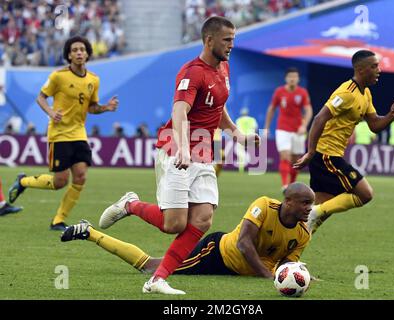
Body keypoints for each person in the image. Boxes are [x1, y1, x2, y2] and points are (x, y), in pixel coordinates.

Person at [97, 16, 259, 295]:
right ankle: (131, 205)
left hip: (204, 151)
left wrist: (236, 133)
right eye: (227, 40)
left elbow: (217, 106)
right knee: (173, 224)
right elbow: (179, 111)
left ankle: (157, 279)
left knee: (203, 218)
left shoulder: (224, 68)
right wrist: (183, 147)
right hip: (176, 149)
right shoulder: (191, 72)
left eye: (234, 39)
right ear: (209, 40)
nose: (232, 45)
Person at [60, 182, 313, 280]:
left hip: (241, 270)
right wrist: (268, 276)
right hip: (216, 254)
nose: (309, 209)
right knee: (150, 266)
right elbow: (243, 244)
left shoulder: (303, 233)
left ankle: (129, 205)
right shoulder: (264, 206)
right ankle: (90, 232)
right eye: (304, 203)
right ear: (288, 202)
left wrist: (296, 276)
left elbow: (287, 265)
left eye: (310, 204)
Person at [8, 36, 118, 231]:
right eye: (74, 50)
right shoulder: (58, 76)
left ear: (87, 54)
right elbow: (41, 98)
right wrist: (51, 112)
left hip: (79, 133)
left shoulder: (94, 79)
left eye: (82, 50)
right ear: (69, 54)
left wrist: (105, 108)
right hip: (59, 134)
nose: (78, 53)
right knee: (60, 182)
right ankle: (23, 181)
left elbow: (90, 107)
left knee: (81, 176)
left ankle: (58, 220)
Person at [293, 50, 394, 234]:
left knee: (314, 218)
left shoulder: (365, 93)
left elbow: (374, 124)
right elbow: (319, 118)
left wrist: (391, 115)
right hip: (326, 155)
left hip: (331, 154)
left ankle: (288, 255)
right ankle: (313, 214)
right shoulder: (346, 93)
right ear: (360, 69)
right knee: (365, 194)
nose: (379, 70)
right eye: (374, 66)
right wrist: (311, 152)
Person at [264, 67, 313, 193]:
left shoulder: (302, 92)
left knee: (296, 159)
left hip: (298, 130)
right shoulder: (279, 92)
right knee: (285, 155)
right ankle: (285, 185)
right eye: (290, 76)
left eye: (295, 77)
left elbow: (308, 110)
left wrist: (304, 125)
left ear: (298, 79)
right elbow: (271, 109)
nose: (292, 79)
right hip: (282, 128)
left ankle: (292, 185)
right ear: (286, 78)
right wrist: (267, 127)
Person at [236, 107, 258, 172]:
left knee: (240, 151)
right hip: (250, 137)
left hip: (241, 137)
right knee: (251, 152)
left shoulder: (238, 120)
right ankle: (252, 166)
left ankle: (241, 169)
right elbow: (255, 128)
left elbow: (236, 129)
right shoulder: (252, 120)